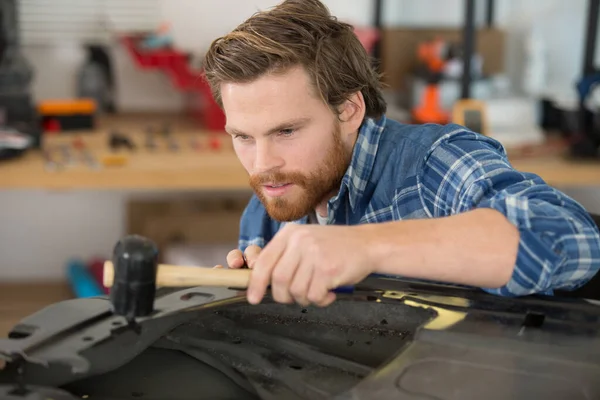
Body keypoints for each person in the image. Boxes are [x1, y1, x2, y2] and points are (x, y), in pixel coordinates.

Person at [203, 0, 600, 307]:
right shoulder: (269, 208)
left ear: (349, 110)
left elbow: (570, 238)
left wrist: (365, 246)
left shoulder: (431, 162)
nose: (261, 165)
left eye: (286, 131)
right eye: (244, 137)